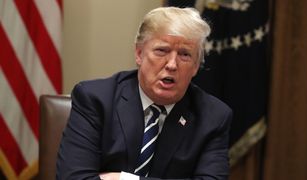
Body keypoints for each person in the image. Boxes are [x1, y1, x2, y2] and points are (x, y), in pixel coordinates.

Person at [56, 6, 232, 180]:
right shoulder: (95, 99)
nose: (172, 64)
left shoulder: (213, 117)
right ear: (139, 54)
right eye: (161, 51)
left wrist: (124, 179)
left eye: (184, 54)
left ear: (195, 67)